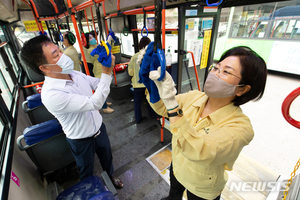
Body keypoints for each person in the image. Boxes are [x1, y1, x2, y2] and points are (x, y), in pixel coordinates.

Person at [147, 46, 267, 200]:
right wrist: (155, 87)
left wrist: (171, 102)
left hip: (202, 185)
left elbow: (201, 151)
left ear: (242, 90)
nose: (214, 74)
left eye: (226, 72)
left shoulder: (240, 128)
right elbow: (163, 108)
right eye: (216, 67)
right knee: (173, 195)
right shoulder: (195, 97)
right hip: (177, 167)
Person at [20, 35, 123, 188]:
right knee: (86, 170)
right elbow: (96, 103)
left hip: (99, 128)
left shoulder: (73, 73)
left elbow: (97, 83)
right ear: (45, 67)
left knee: (107, 157)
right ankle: (91, 192)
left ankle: (110, 175)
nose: (63, 56)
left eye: (60, 50)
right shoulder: (52, 94)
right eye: (56, 55)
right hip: (81, 139)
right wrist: (106, 72)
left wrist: (105, 66)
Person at [128, 37, 156, 123]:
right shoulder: (151, 56)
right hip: (148, 84)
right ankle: (152, 114)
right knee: (149, 100)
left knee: (137, 102)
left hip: (137, 84)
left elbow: (130, 73)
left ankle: (138, 119)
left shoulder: (134, 57)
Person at [86, 32, 114, 113]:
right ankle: (104, 107)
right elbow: (104, 52)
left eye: (92, 37)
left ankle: (104, 102)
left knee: (105, 87)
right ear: (87, 42)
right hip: (99, 72)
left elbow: (107, 49)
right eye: (90, 38)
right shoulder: (90, 50)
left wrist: (110, 42)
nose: (93, 39)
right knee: (102, 88)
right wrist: (108, 41)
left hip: (103, 70)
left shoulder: (96, 47)